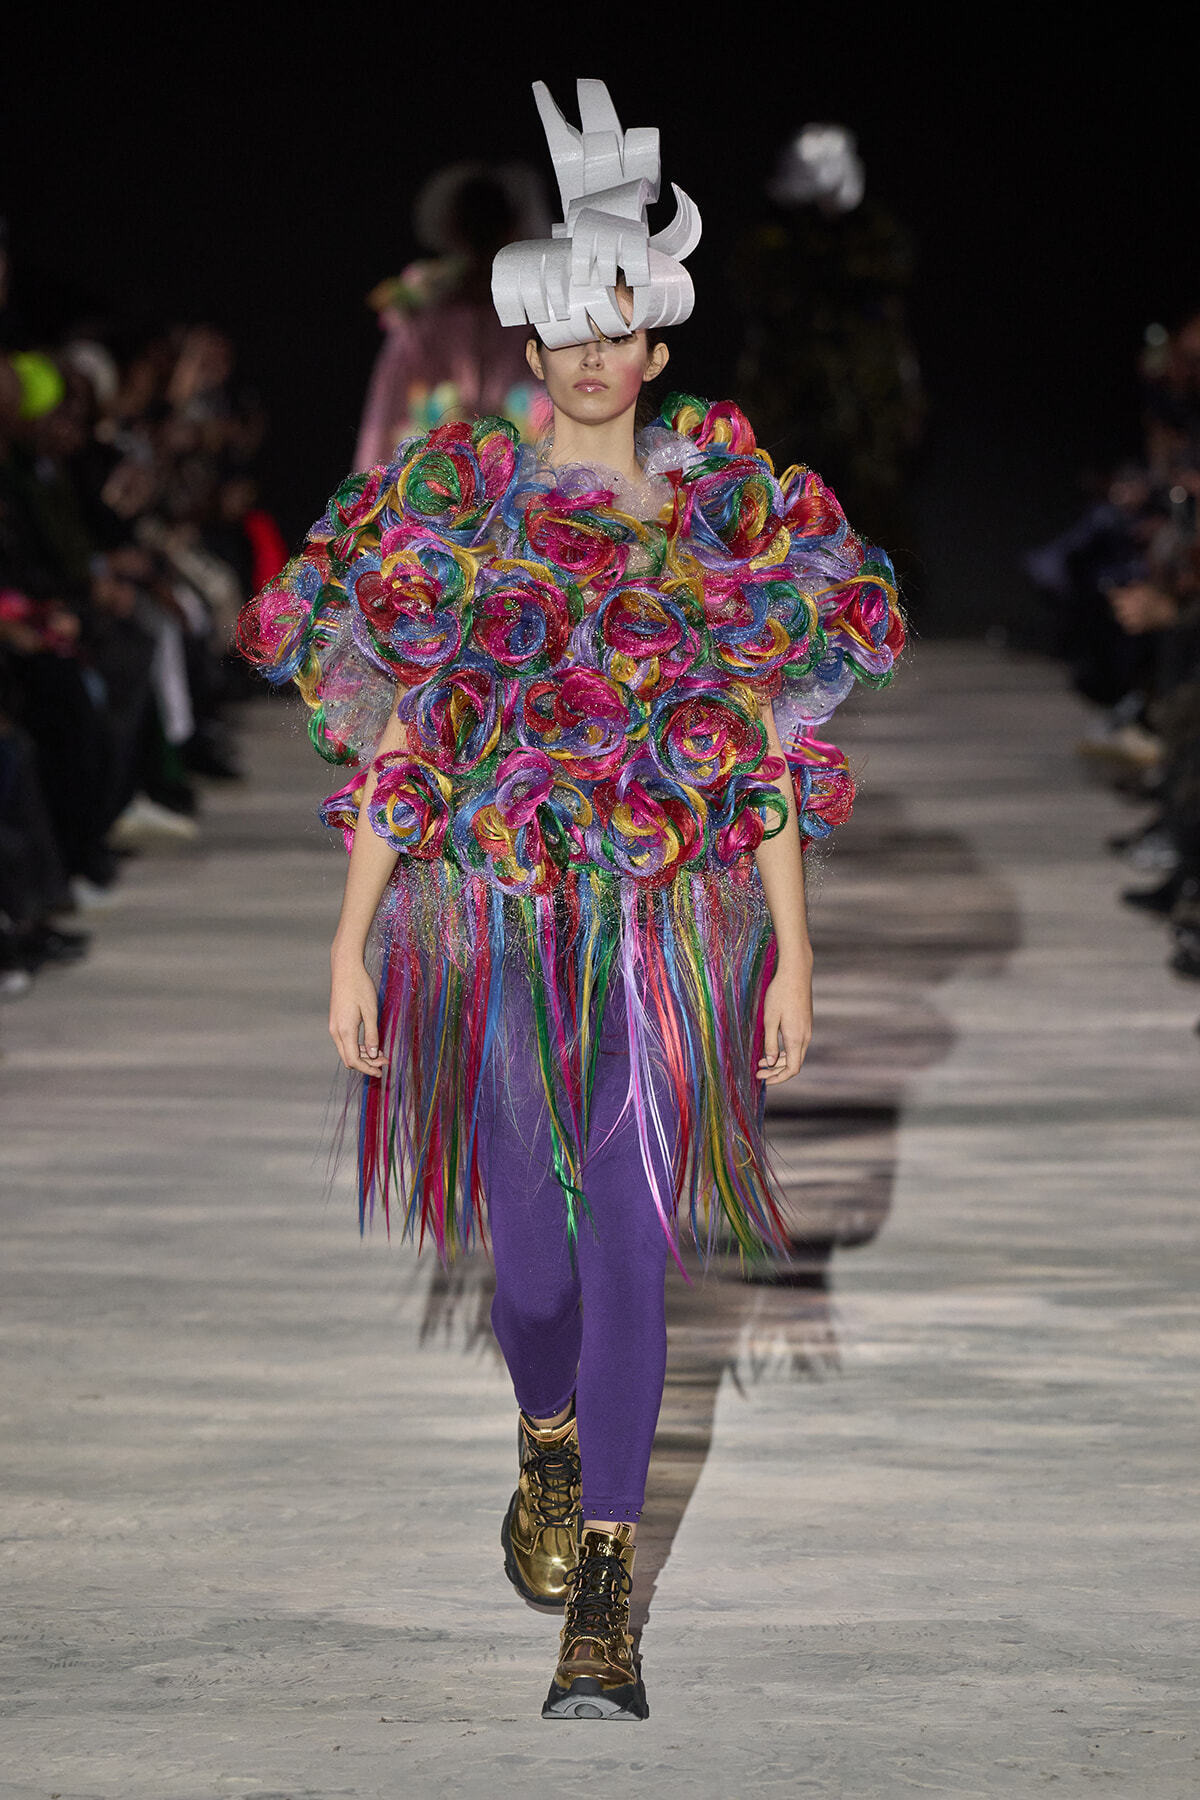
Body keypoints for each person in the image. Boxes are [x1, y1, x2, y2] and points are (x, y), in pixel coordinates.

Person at [239, 78, 904, 1723]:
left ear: (656, 346)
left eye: (622, 325)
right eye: (567, 330)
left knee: (632, 1237)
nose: (595, 356)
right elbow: (407, 731)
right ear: (529, 349)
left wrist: (794, 958)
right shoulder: (457, 511)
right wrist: (348, 942)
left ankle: (604, 1590)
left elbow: (753, 753)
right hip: (485, 917)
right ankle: (545, 1434)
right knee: (524, 1259)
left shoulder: (722, 522)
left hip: (673, 928)